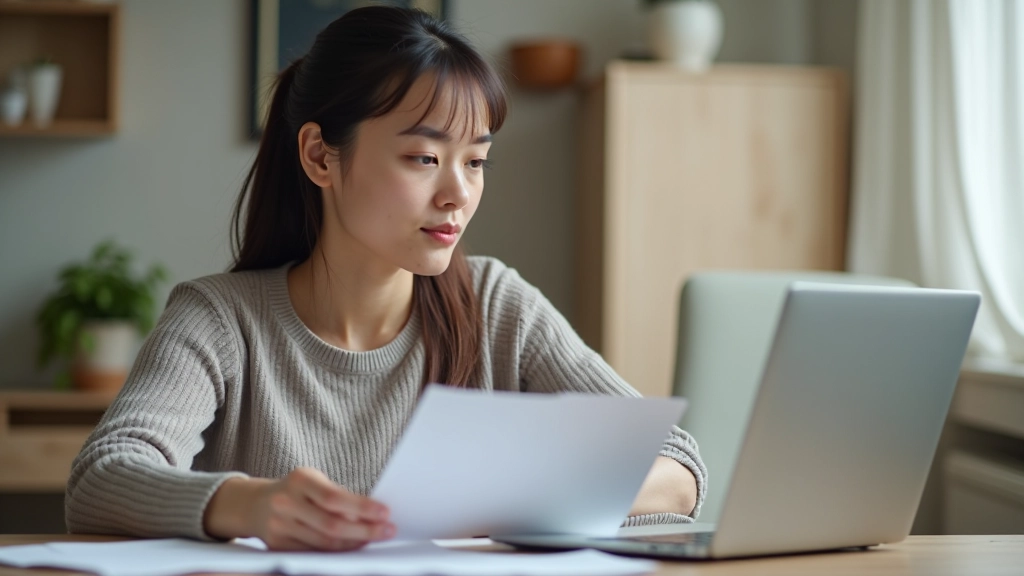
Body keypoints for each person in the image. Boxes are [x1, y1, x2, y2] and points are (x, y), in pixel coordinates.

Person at [65, 5, 706, 551]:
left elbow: (678, 469)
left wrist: (510, 501)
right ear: (320, 156)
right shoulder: (220, 320)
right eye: (423, 158)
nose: (458, 194)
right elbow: (102, 477)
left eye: (476, 162)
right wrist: (253, 506)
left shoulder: (497, 304)